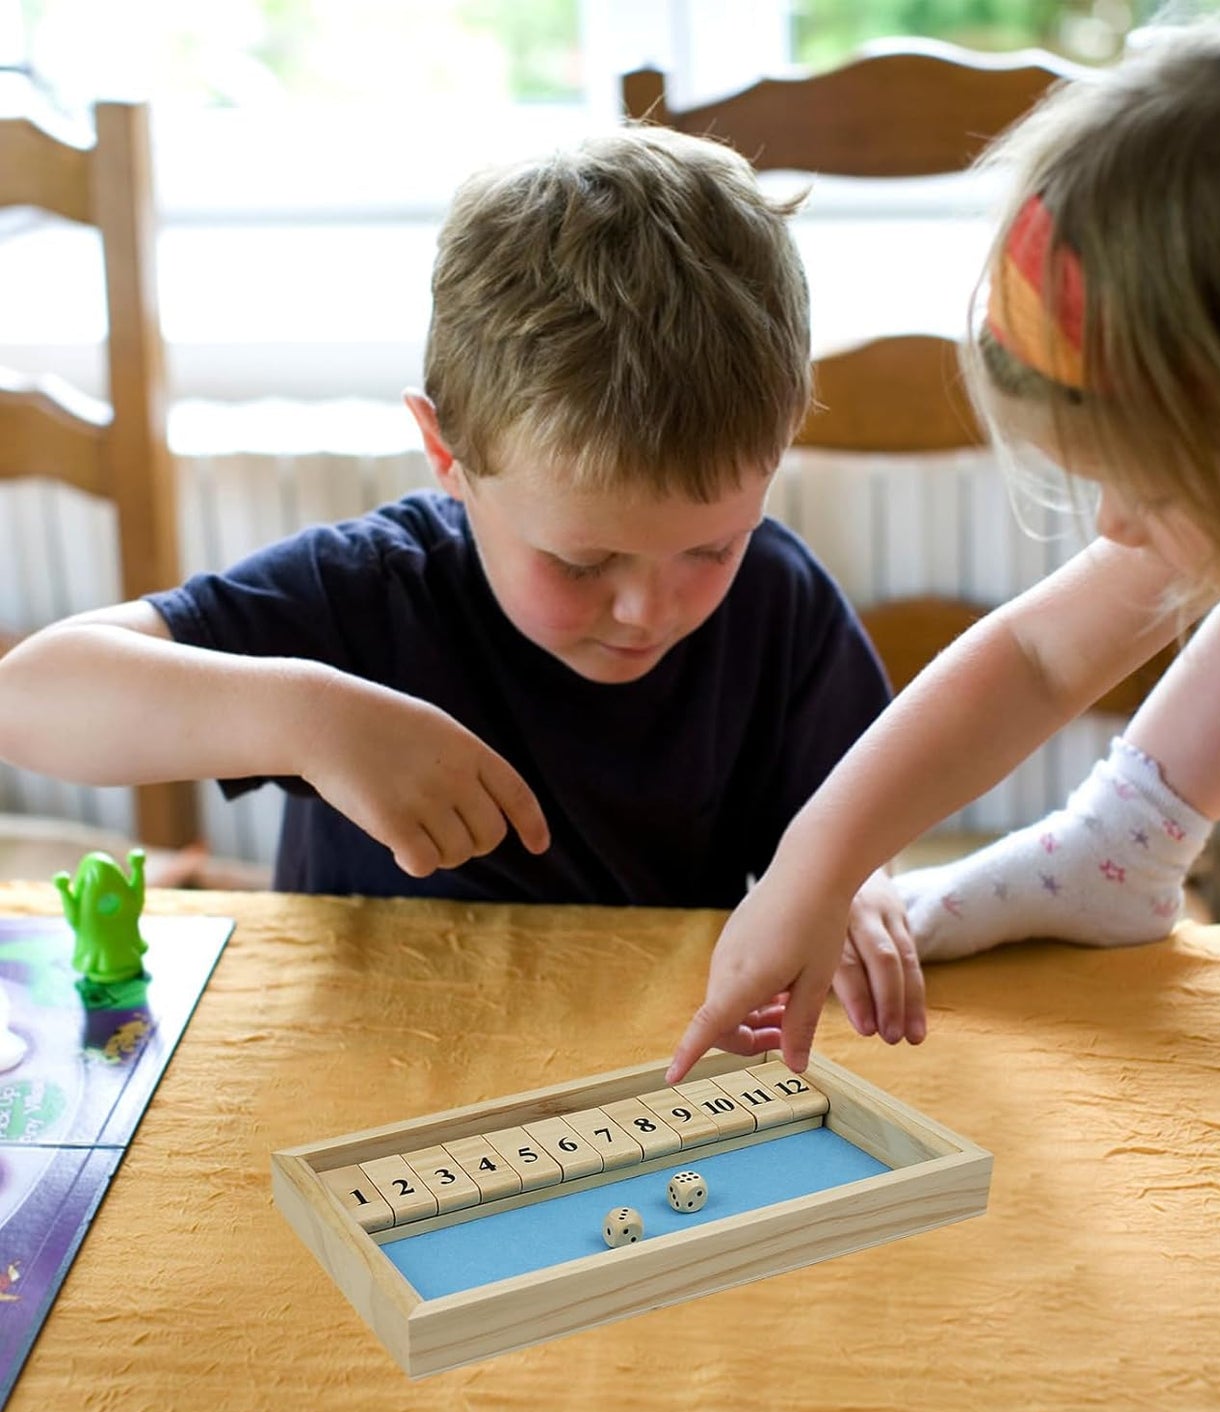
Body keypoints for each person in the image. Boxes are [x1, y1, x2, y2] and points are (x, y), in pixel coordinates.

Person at [666, 16, 1220, 1129]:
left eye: (1153, 485)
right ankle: (1114, 843)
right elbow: (1034, 657)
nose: (1117, 523)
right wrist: (814, 866)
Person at [0, 128, 912, 979]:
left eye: (711, 548)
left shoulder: (780, 602)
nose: (647, 606)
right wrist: (305, 721)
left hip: (638, 1074)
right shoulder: (365, 593)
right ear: (448, 455)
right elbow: (28, 698)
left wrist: (856, 886)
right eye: (582, 563)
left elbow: (850, 830)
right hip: (372, 1064)